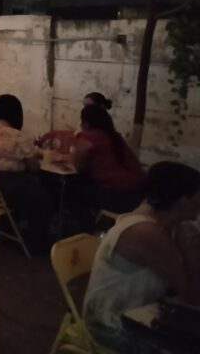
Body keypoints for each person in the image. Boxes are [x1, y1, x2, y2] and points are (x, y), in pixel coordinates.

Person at [83, 161, 200, 353]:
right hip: (110, 325)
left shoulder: (168, 224)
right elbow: (192, 294)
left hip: (137, 314)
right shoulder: (145, 232)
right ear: (183, 200)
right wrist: (190, 242)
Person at [0, 94, 53, 252]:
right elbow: (34, 168)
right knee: (42, 198)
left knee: (25, 190)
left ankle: (9, 228)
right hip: (0, 192)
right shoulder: (18, 137)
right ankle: (38, 242)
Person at [70, 105, 146, 220]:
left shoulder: (88, 137)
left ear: (86, 123)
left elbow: (78, 166)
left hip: (118, 194)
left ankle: (89, 226)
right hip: (139, 192)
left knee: (71, 193)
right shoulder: (114, 137)